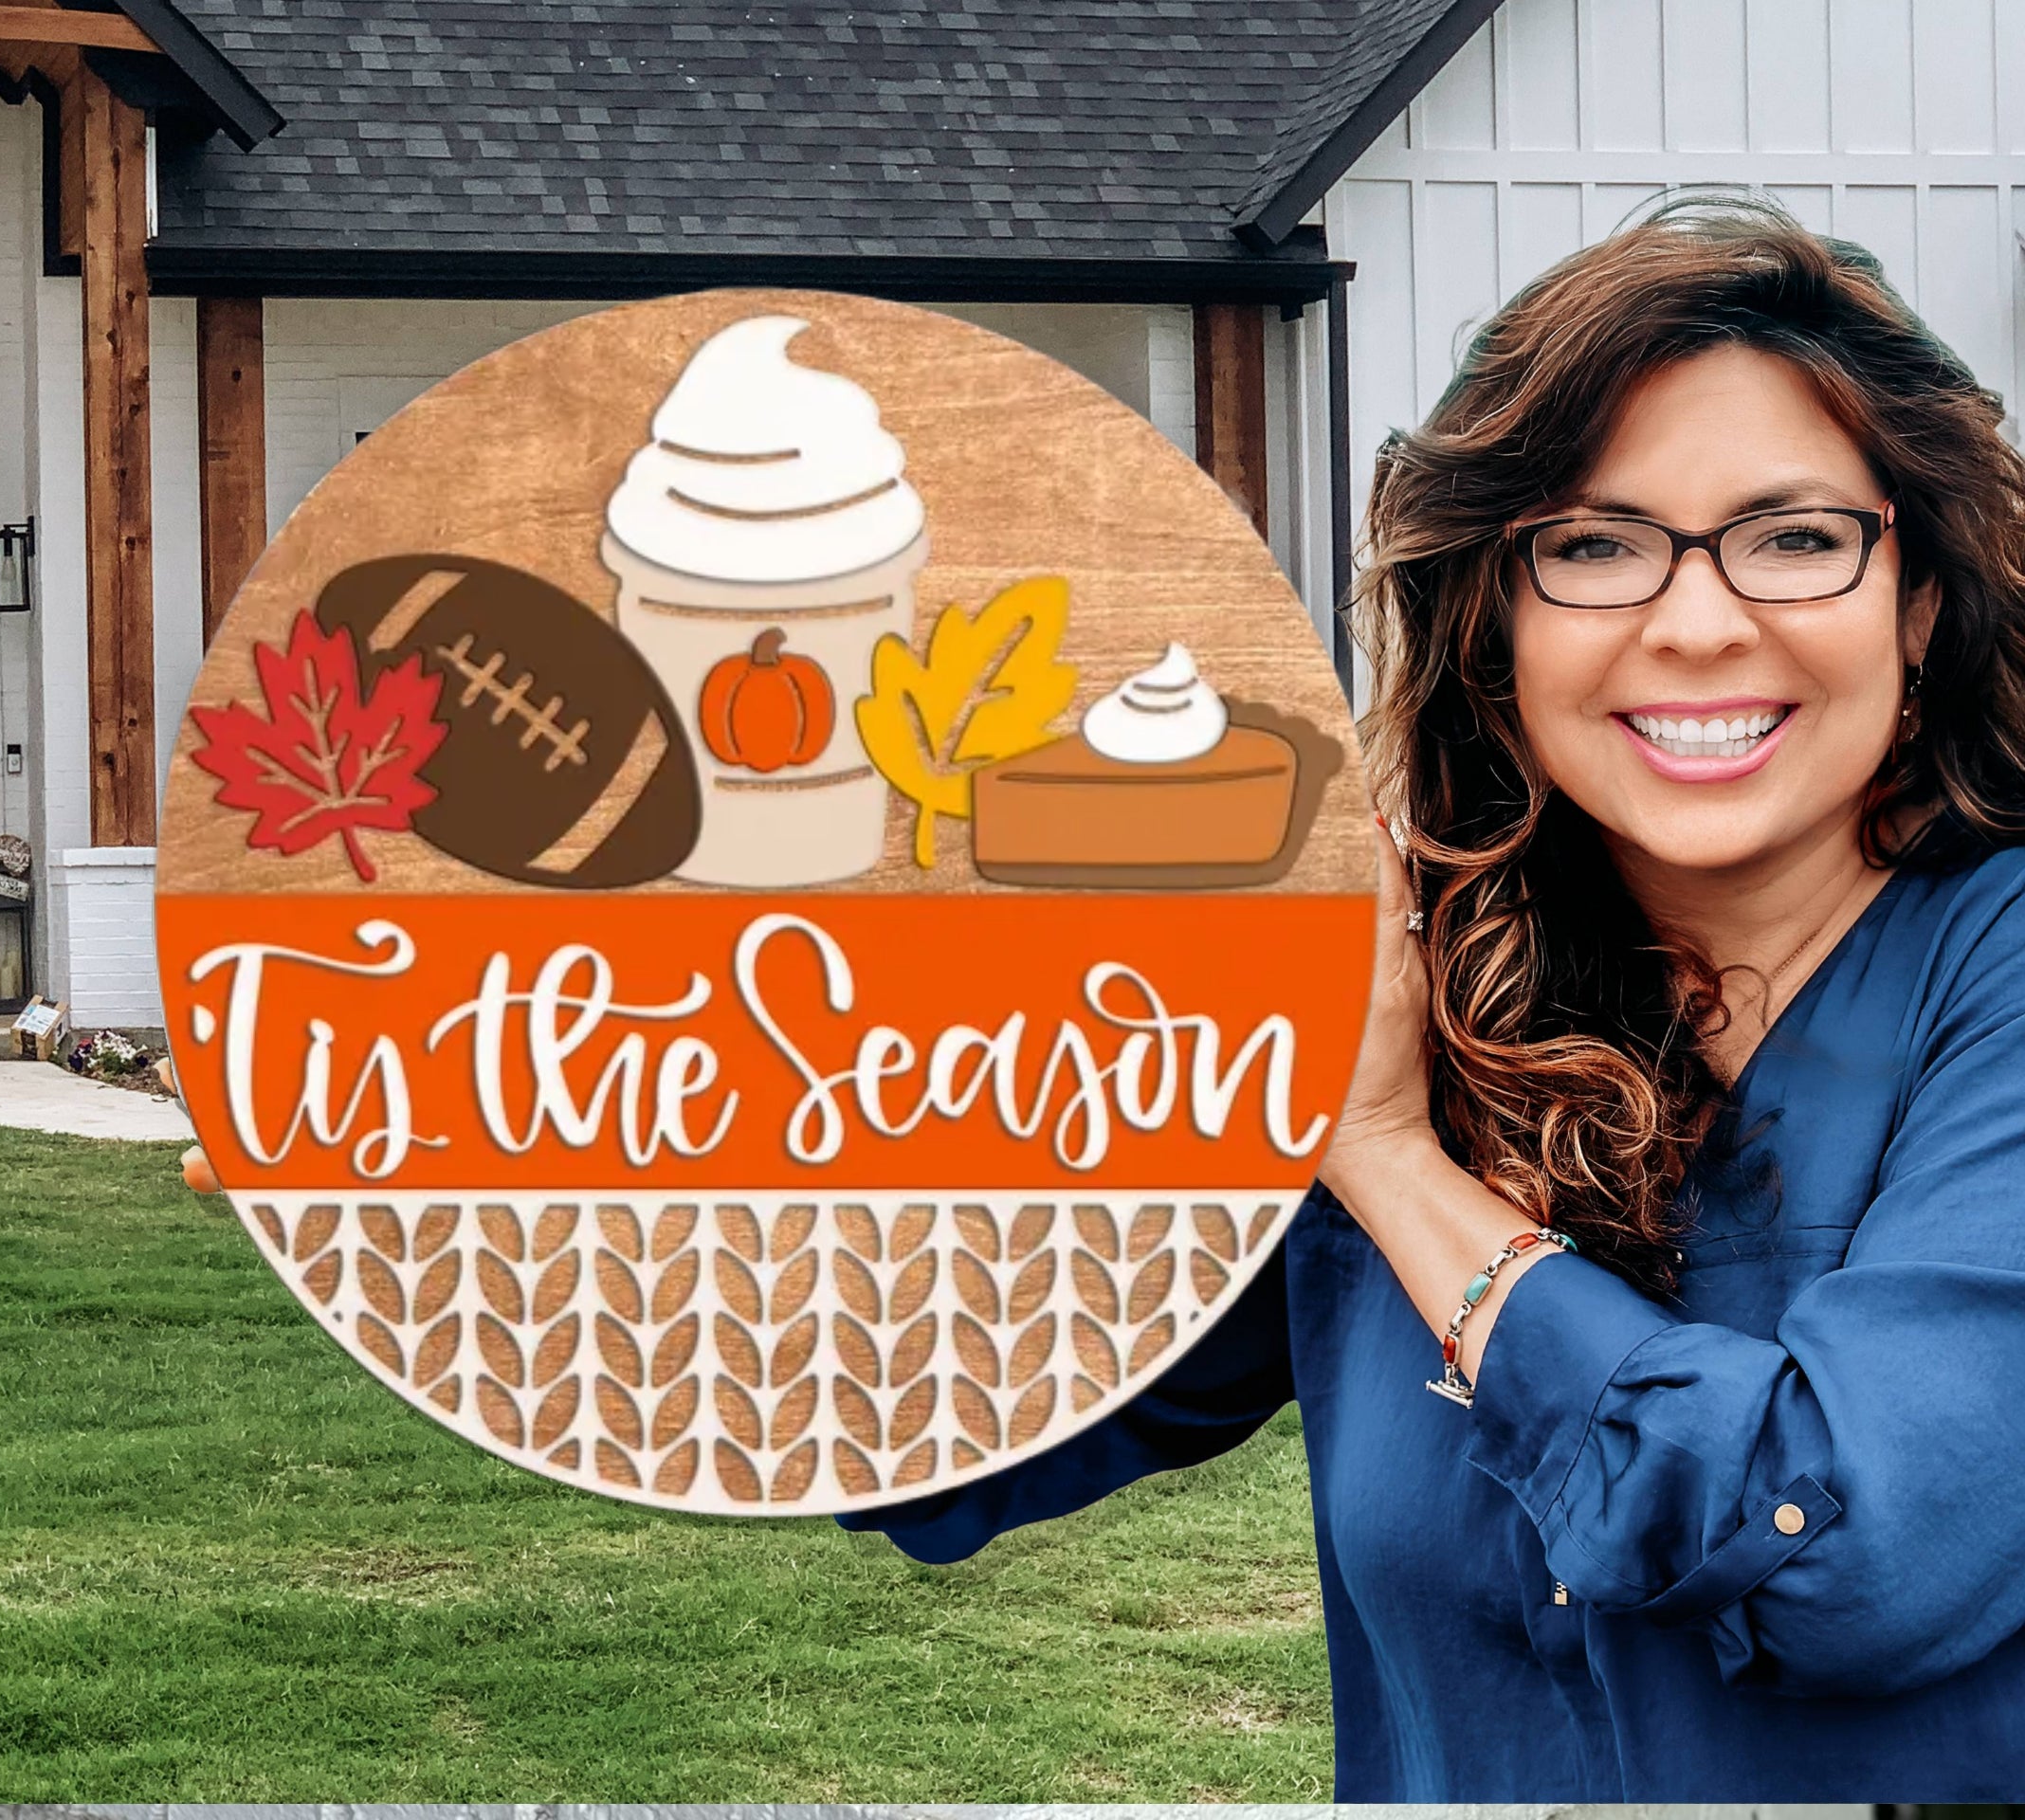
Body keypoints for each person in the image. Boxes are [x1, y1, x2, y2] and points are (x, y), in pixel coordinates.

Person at [838, 192, 2025, 1799]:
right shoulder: (1414, 982)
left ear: (1923, 598)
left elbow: (1849, 1555)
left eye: (1795, 537)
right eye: (1594, 546)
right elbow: (938, 1430)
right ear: (1497, 624)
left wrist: (1393, 1161)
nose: (1694, 623)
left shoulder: (1990, 981)